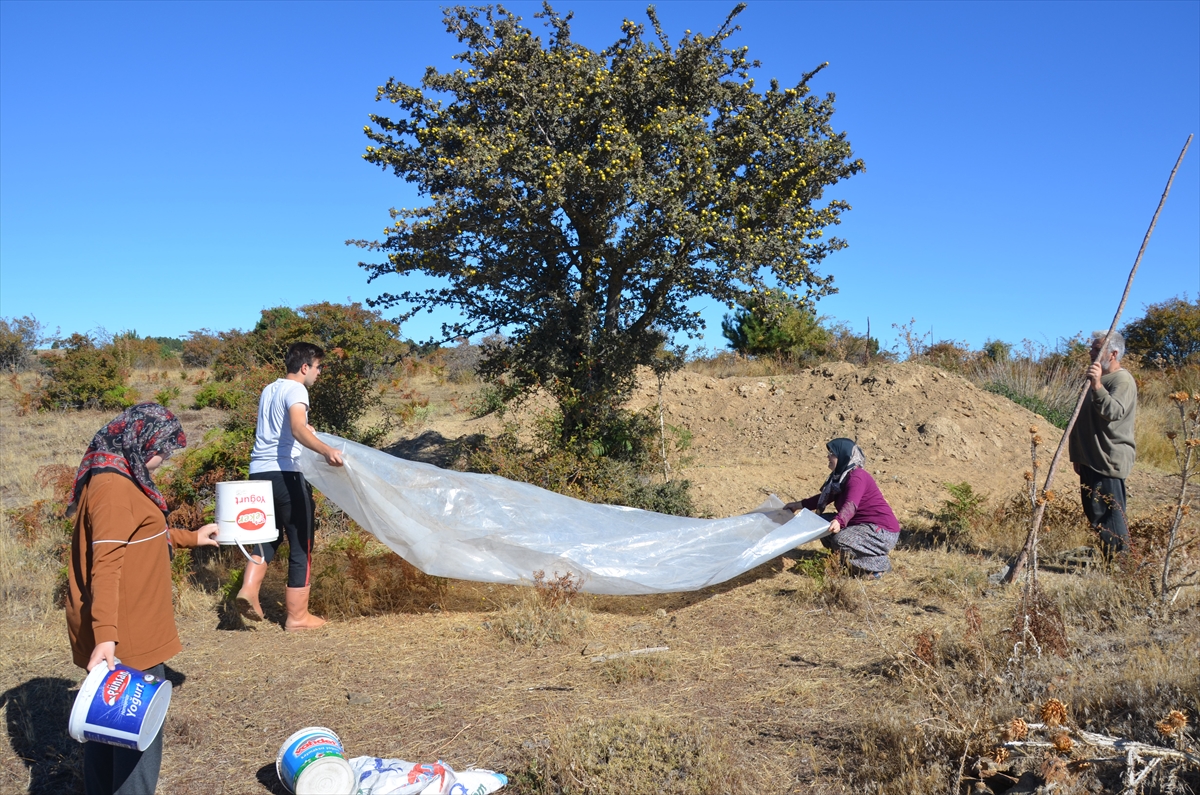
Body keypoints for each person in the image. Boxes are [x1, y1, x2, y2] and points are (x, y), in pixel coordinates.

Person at [66, 403, 219, 795]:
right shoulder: (114, 489)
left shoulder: (121, 473)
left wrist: (191, 537)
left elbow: (141, 536)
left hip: (129, 627)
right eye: (162, 448)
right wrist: (107, 637)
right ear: (140, 440)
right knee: (136, 742)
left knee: (105, 731)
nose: (164, 458)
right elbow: (106, 566)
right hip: (128, 635)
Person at [236, 341, 344, 630]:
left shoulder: (269, 389)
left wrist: (306, 429)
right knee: (301, 542)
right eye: (318, 367)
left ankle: (249, 589)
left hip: (258, 473)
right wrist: (326, 450)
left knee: (268, 536)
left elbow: (279, 428)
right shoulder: (298, 390)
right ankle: (297, 617)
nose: (319, 372)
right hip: (285, 474)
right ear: (305, 367)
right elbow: (296, 428)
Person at [785, 438, 901, 578]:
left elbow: (851, 504)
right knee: (821, 524)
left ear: (843, 456)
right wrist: (797, 505)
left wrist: (839, 521)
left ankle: (878, 566)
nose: (828, 456)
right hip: (860, 526)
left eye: (832, 453)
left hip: (881, 531)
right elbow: (824, 498)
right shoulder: (840, 478)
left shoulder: (857, 477)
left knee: (841, 540)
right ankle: (846, 562)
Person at [1068, 330, 1137, 558]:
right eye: (1092, 348)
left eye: (1097, 349)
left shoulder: (1122, 380)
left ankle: (1122, 566)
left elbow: (1113, 412)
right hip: (1090, 458)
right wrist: (1078, 454)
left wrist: (1097, 385)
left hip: (1108, 459)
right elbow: (1082, 419)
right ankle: (1109, 561)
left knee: (1111, 517)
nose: (1091, 352)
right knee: (1095, 514)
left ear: (1113, 354)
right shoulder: (1094, 380)